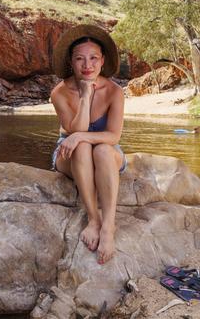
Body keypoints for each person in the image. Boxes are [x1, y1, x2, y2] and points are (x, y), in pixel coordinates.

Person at [50, 24, 126, 265]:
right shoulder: (59, 93)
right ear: (71, 63)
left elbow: (113, 137)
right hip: (70, 152)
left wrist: (80, 136)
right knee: (82, 146)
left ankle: (108, 227)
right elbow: (76, 132)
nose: (87, 65)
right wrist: (84, 96)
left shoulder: (114, 91)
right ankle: (94, 219)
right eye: (80, 59)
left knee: (102, 150)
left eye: (94, 58)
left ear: (103, 61)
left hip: (107, 151)